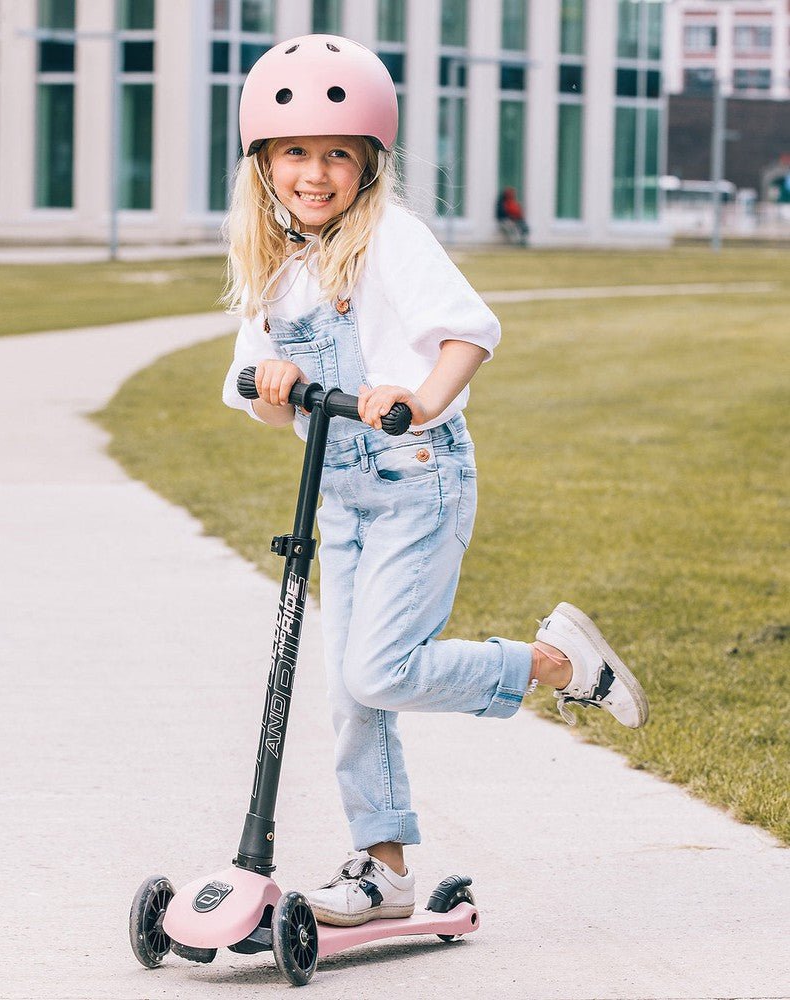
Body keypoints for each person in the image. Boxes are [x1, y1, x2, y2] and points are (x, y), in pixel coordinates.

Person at [221, 34, 649, 929]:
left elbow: (470, 333)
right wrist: (269, 388)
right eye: (295, 150)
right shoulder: (278, 271)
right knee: (352, 696)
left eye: (339, 152)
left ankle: (556, 664)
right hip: (342, 499)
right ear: (262, 163)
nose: (316, 171)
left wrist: (417, 399)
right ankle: (384, 873)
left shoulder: (391, 241)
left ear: (370, 164)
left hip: (420, 482)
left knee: (378, 671)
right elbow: (266, 402)